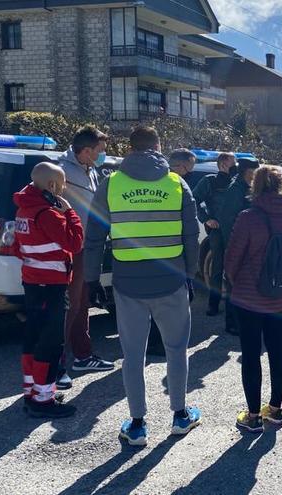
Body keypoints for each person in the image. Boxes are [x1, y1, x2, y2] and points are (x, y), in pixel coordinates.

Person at [85, 127, 201, 446]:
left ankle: (137, 424)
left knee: (133, 354)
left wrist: (91, 279)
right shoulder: (177, 184)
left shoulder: (111, 184)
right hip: (172, 281)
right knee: (177, 349)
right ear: (159, 147)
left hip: (128, 285)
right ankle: (180, 415)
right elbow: (191, 237)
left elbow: (94, 237)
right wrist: (191, 276)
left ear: (130, 149)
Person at [225, 166, 282, 432]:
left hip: (248, 297)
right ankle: (276, 409)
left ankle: (253, 415)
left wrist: (236, 282)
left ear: (255, 186)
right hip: (280, 296)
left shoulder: (248, 217)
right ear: (281, 186)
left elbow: (232, 259)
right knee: (277, 349)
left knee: (251, 353)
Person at [14, 162, 84, 418]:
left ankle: (33, 392)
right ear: (53, 186)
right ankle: (42, 401)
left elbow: (16, 248)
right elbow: (75, 243)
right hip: (52, 286)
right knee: (50, 342)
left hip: (32, 283)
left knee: (33, 337)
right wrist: (70, 214)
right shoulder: (48, 213)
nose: (64, 188)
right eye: (63, 183)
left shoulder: (24, 210)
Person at [58, 126, 114, 390]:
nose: (103, 156)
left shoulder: (89, 170)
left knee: (82, 303)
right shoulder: (60, 171)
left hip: (85, 247)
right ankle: (55, 364)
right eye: (100, 151)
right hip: (67, 249)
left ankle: (82, 355)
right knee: (67, 306)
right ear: (87, 150)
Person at [148, 149, 197, 357]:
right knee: (169, 304)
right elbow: (189, 229)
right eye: (189, 168)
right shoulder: (175, 186)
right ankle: (162, 344)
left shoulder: (155, 183)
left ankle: (157, 342)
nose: (189, 173)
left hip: (155, 252)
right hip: (172, 254)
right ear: (180, 166)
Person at [219, 157, 260, 334]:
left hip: (246, 246)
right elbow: (228, 220)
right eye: (254, 172)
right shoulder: (235, 190)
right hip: (236, 246)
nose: (256, 175)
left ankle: (240, 320)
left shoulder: (247, 188)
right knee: (233, 286)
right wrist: (235, 245)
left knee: (242, 286)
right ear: (247, 172)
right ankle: (232, 323)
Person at [193, 152, 237, 317]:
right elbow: (193, 199)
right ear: (224, 164)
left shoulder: (237, 182)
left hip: (236, 231)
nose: (236, 165)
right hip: (218, 232)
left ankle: (234, 308)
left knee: (235, 269)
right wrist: (206, 219)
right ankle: (213, 305)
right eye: (234, 162)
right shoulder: (209, 181)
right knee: (217, 269)